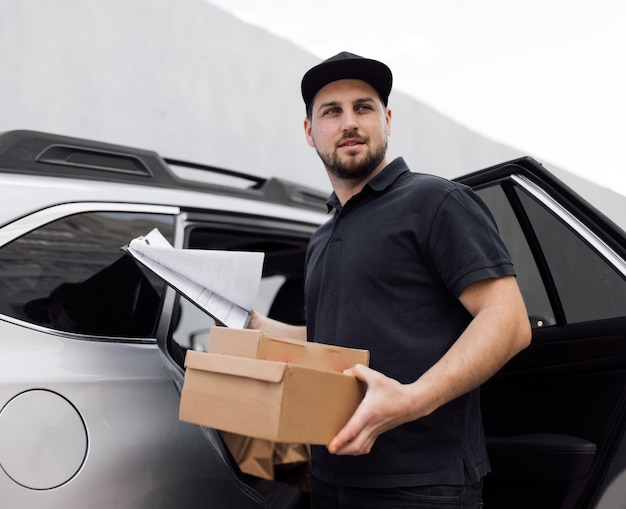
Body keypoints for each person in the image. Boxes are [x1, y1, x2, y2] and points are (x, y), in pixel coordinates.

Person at [249, 51, 531, 509]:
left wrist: (413, 399)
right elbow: (323, 340)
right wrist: (249, 322)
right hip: (329, 476)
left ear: (388, 119)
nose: (349, 122)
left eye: (363, 107)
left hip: (421, 485)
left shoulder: (436, 201)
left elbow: (509, 320)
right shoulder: (322, 234)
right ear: (309, 132)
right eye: (332, 111)